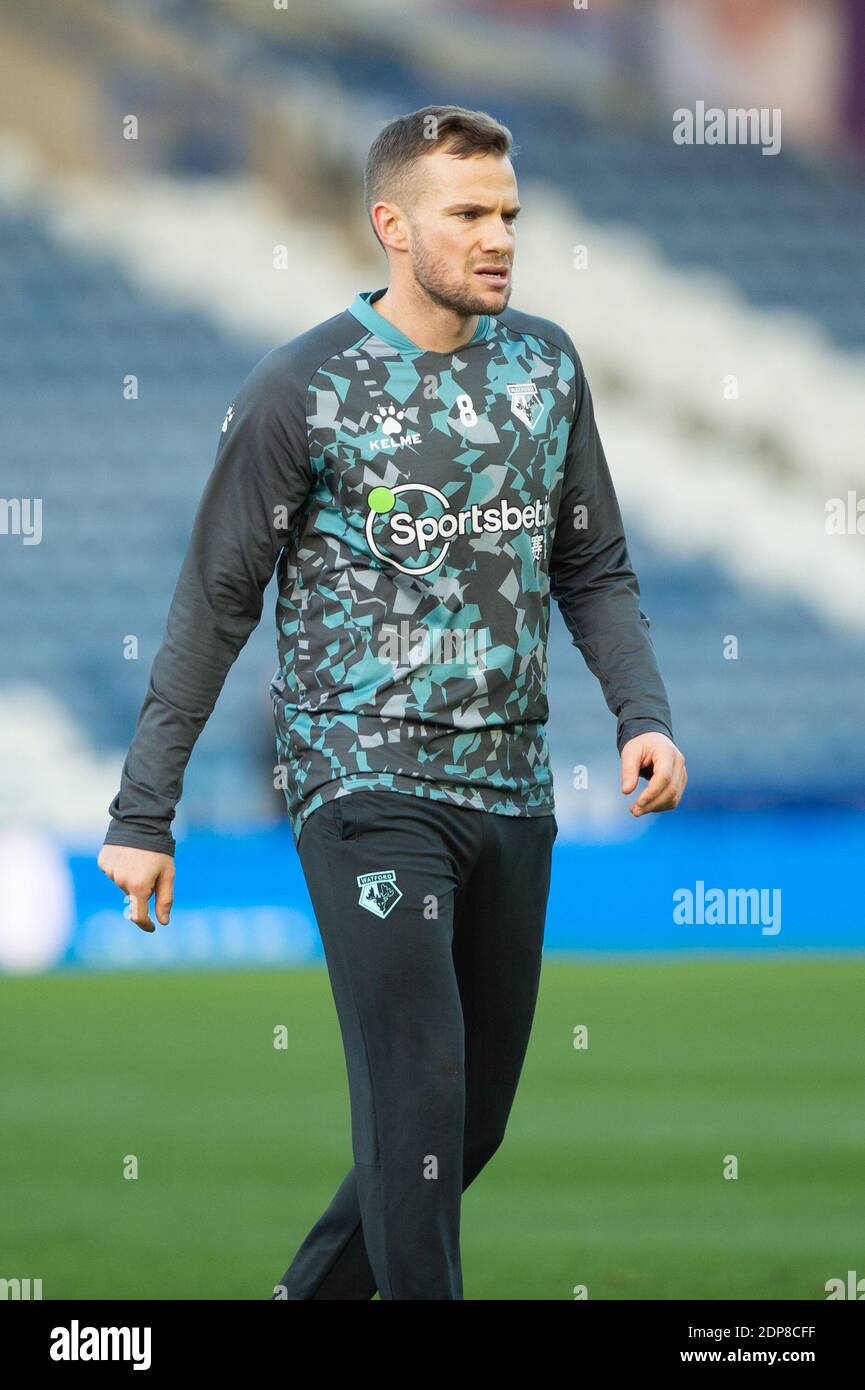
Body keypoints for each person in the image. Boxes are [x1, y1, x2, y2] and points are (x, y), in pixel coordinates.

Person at [97, 104, 687, 1300]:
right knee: (419, 1106)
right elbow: (214, 601)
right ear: (390, 225)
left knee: (465, 1131)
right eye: (467, 214)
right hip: (363, 783)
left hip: (515, 787)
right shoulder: (300, 389)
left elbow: (591, 564)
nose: (499, 237)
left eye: (508, 213)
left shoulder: (545, 365)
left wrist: (643, 712)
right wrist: (143, 812)